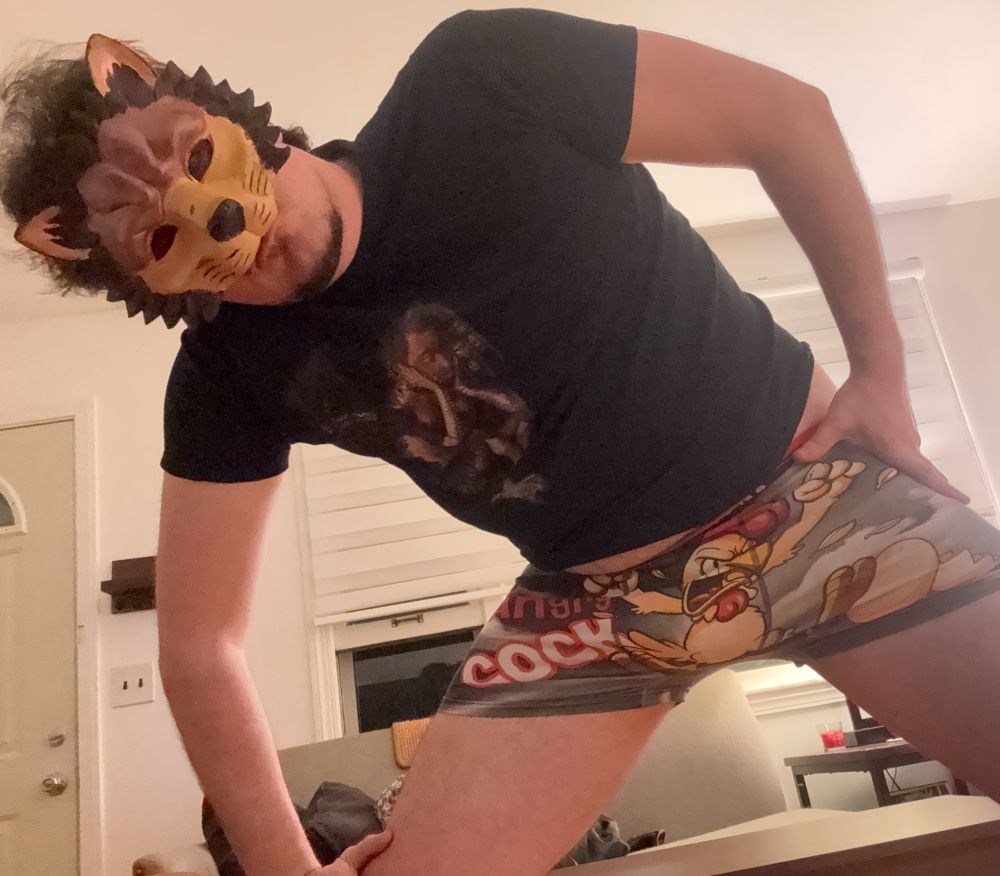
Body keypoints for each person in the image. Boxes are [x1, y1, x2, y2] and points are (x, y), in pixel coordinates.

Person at [3, 9, 999, 875]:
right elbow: (198, 644)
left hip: (821, 500)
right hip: (595, 616)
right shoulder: (227, 370)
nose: (232, 233)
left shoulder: (482, 80)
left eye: (198, 168)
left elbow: (786, 116)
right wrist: (284, 865)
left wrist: (879, 371)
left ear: (216, 112)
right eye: (168, 247)